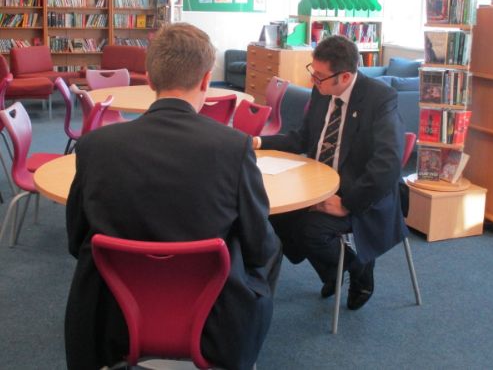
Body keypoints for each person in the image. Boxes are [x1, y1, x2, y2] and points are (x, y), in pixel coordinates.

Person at [65, 23, 282, 370]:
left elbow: (76, 242)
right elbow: (258, 246)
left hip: (112, 320)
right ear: (207, 80)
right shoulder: (234, 148)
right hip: (213, 324)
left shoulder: (94, 147)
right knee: (269, 248)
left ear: (150, 79)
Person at [253, 35, 407, 309]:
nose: (313, 80)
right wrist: (259, 142)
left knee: (311, 231)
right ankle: (333, 271)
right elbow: (302, 138)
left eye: (320, 76)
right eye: (313, 72)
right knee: (274, 219)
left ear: (345, 76)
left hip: (362, 191)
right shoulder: (322, 91)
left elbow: (388, 163)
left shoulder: (380, 99)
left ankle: (359, 270)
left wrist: (348, 203)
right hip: (319, 182)